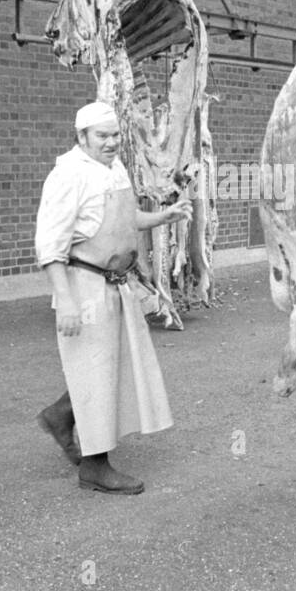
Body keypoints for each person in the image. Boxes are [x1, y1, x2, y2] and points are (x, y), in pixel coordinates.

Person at [33, 101, 192, 494]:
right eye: (102, 136)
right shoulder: (67, 175)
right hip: (84, 286)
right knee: (95, 369)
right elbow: (48, 245)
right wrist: (65, 301)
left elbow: (126, 217)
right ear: (81, 136)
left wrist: (162, 217)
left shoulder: (114, 168)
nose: (111, 142)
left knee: (108, 366)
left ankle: (61, 415)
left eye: (116, 135)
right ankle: (95, 467)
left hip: (115, 283)